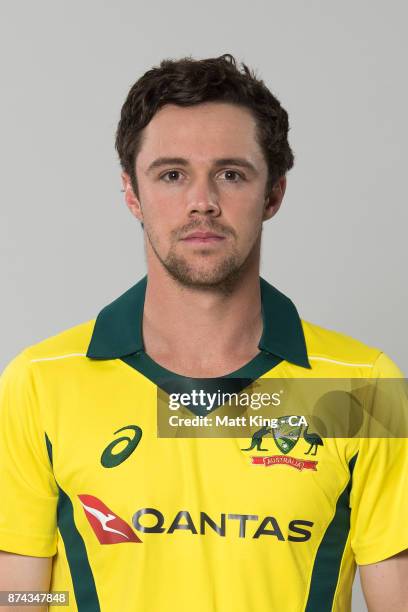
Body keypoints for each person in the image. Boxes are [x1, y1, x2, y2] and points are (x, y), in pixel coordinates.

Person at [0, 53, 407, 612]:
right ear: (131, 193)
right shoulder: (40, 382)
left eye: (230, 174)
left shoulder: (365, 387)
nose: (202, 202)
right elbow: (16, 595)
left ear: (273, 194)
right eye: (172, 174)